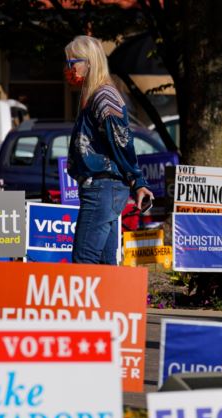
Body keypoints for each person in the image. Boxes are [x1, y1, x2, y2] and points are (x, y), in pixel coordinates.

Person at [64, 35, 153, 265]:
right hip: (103, 188)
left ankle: (87, 303)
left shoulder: (104, 97)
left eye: (73, 63)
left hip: (103, 187)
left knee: (85, 260)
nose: (69, 69)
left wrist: (138, 181)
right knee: (104, 265)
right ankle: (111, 303)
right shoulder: (93, 94)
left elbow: (122, 143)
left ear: (90, 62)